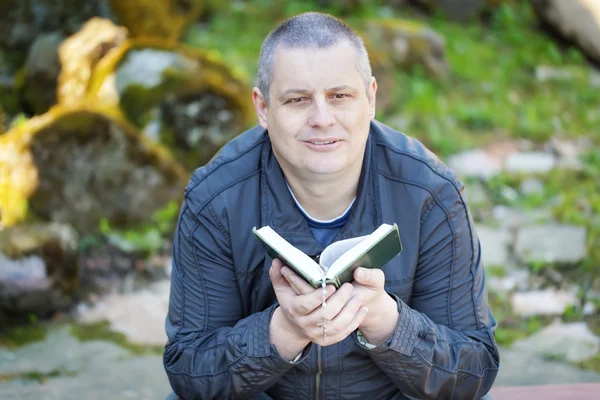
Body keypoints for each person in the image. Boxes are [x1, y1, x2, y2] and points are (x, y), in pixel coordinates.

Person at [163, 11, 500, 400]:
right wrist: (282, 331)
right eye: (297, 100)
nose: (322, 119)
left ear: (370, 99)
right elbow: (189, 371)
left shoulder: (430, 193)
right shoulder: (215, 198)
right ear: (263, 109)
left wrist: (387, 322)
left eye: (340, 96)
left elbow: (474, 369)